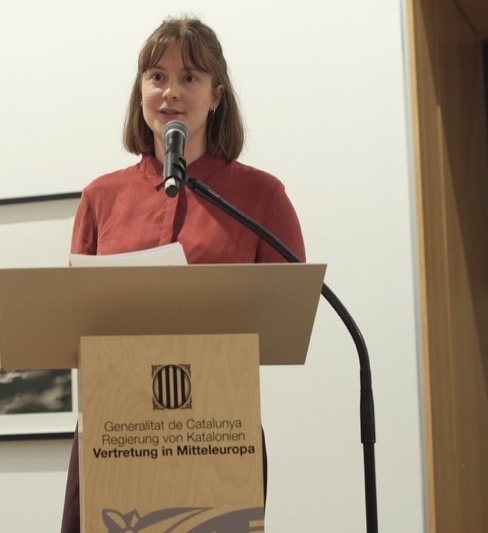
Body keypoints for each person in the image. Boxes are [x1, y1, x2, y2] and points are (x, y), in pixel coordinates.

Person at [60, 16, 305, 532]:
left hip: (217, 431)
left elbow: (287, 315)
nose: (170, 92)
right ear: (141, 91)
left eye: (189, 77)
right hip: (114, 430)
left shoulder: (260, 195)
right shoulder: (101, 197)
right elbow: (75, 318)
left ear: (216, 96)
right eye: (157, 76)